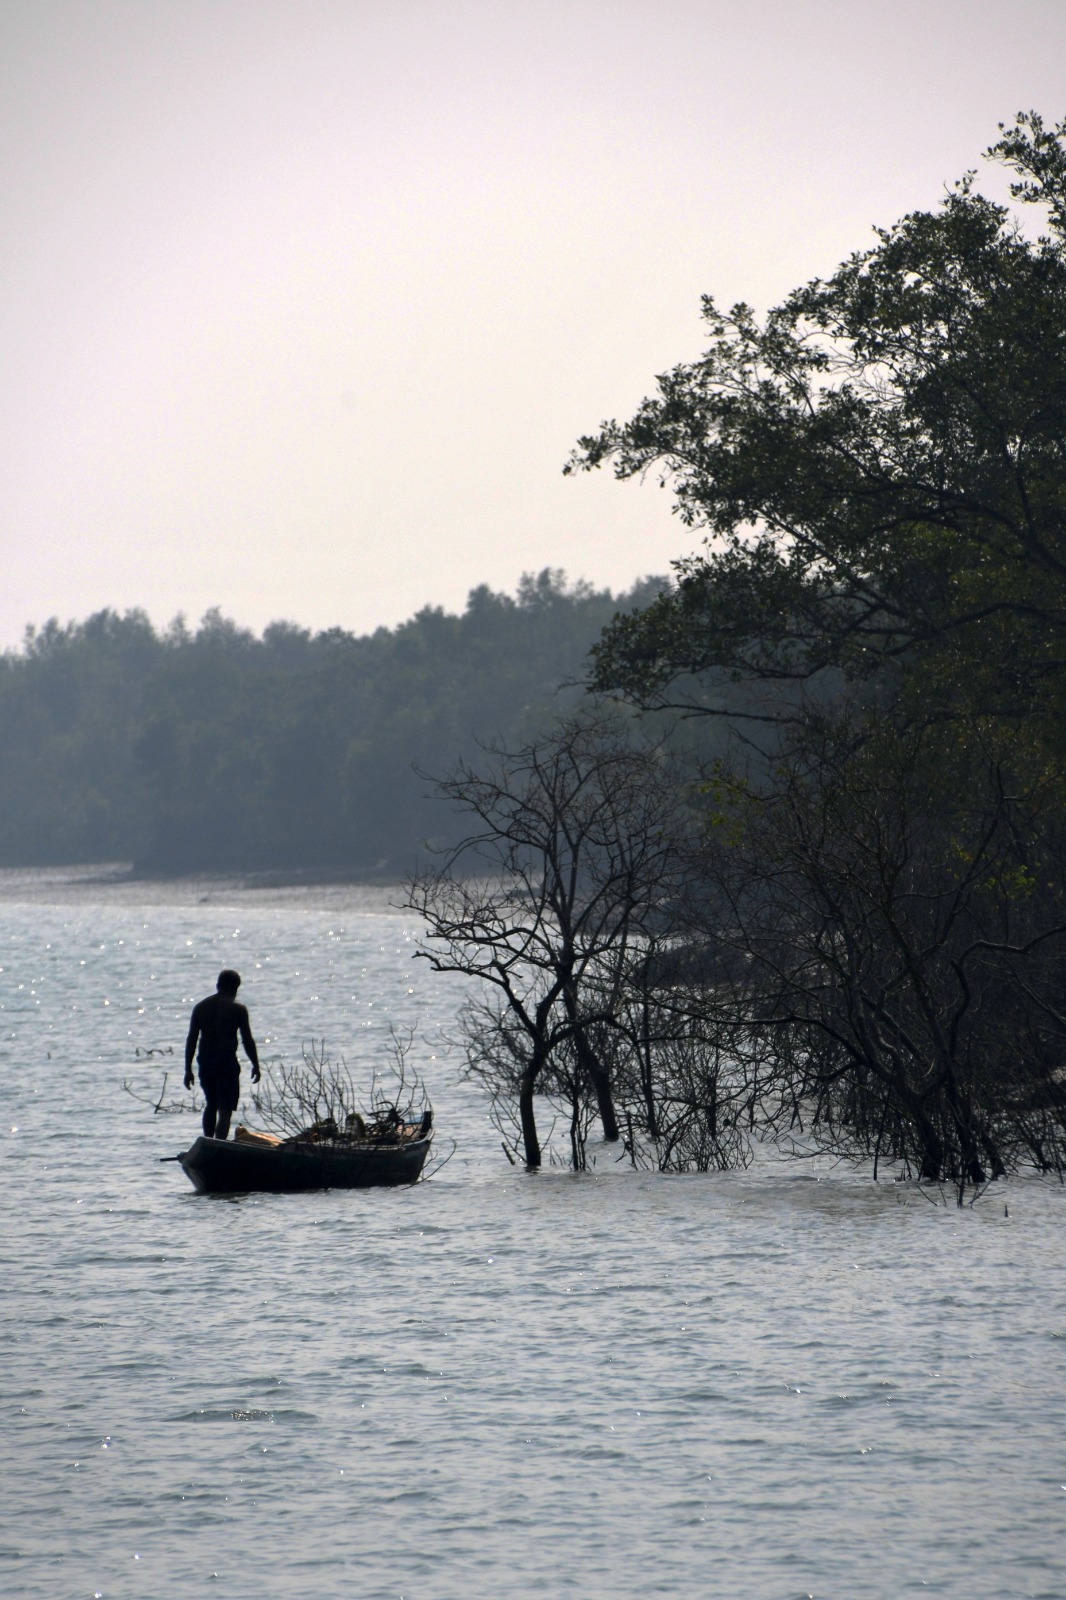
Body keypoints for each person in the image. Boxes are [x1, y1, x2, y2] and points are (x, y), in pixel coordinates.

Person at [184, 969, 261, 1140]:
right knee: (225, 1110)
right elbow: (247, 1039)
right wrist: (255, 1064)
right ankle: (219, 1144)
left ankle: (209, 1141)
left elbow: (191, 1040)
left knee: (211, 1104)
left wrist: (188, 1069)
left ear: (218, 985)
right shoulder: (238, 1009)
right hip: (226, 1063)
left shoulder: (201, 1007)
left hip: (205, 1062)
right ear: (235, 988)